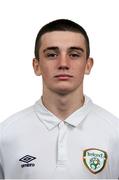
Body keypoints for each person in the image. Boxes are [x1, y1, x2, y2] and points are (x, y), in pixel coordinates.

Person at [0, 19, 119, 179]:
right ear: (37, 66)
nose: (63, 63)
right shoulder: (6, 135)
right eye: (52, 55)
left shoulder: (115, 133)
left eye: (74, 54)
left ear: (88, 65)